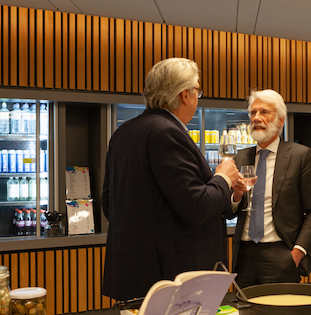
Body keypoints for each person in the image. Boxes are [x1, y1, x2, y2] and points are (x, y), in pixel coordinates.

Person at [101, 58, 240, 302]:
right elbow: (195, 206)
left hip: (134, 269)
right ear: (185, 94)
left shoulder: (123, 132)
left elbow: (109, 204)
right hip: (171, 275)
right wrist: (223, 177)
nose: (198, 98)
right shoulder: (167, 132)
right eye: (197, 90)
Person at [229, 89, 311, 288]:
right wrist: (236, 197)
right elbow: (228, 213)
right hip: (244, 256)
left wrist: (297, 253)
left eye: (264, 112)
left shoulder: (300, 156)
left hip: (281, 254)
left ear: (280, 120)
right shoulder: (240, 158)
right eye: (253, 113)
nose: (256, 118)